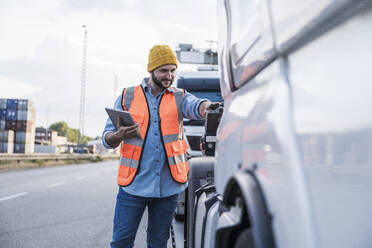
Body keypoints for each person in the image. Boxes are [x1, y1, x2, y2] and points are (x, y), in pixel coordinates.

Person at [102, 44, 219, 248]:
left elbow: (196, 105)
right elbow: (106, 138)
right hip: (133, 186)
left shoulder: (179, 97)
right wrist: (119, 135)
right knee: (121, 242)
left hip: (168, 187)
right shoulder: (127, 96)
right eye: (164, 70)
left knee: (158, 244)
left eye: (173, 70)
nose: (169, 76)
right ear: (151, 70)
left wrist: (207, 106)